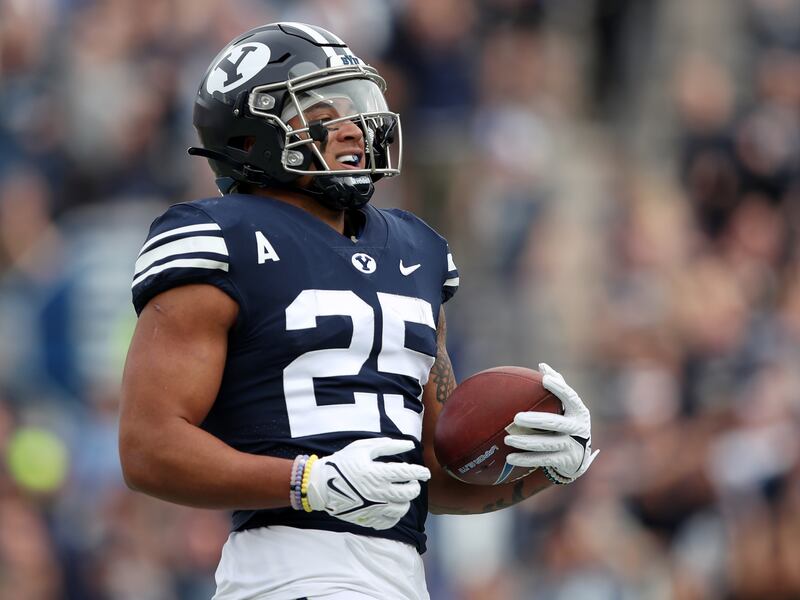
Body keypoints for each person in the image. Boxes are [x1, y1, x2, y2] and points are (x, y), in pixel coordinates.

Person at [119, 22, 598, 600]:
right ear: (251, 135)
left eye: (356, 107)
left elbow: (429, 475)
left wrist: (544, 466)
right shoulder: (217, 236)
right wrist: (307, 481)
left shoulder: (417, 250)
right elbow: (148, 447)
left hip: (401, 579)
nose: (353, 128)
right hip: (285, 573)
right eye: (321, 112)